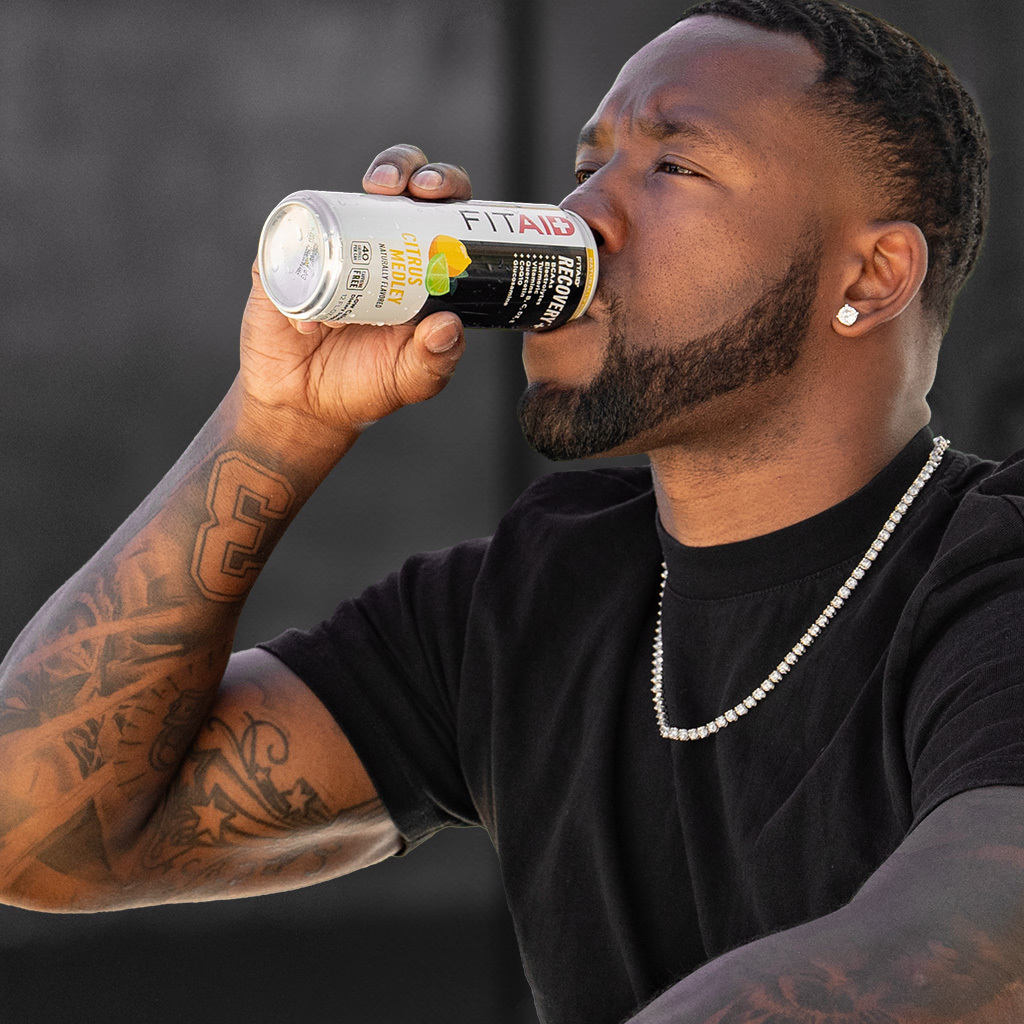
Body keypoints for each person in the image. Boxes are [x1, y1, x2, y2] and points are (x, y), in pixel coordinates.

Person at [1, 0, 1021, 1021]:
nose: (580, 214)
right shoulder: (537, 597)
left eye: (672, 165)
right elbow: (35, 837)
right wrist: (278, 420)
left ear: (871, 274)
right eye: (587, 165)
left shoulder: (992, 583)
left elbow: (967, 957)